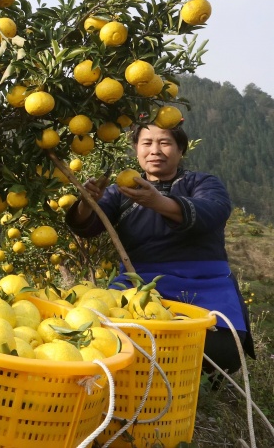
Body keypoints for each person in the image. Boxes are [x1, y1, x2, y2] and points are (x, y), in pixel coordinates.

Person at [66, 121, 254, 374]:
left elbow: (213, 211)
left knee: (219, 352)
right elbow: (86, 226)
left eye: (164, 143)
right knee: (100, 337)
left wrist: (159, 203)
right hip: (137, 283)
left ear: (180, 150)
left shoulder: (202, 183)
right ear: (136, 149)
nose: (155, 150)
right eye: (147, 143)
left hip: (204, 285)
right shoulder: (120, 192)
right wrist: (87, 203)